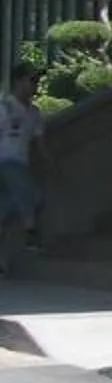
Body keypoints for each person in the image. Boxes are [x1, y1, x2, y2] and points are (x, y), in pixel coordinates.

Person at [0, 65, 46, 273]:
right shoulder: (4, 107)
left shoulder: (34, 113)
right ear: (18, 82)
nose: (36, 85)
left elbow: (40, 144)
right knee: (32, 195)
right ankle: (30, 232)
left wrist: (51, 163)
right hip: (5, 162)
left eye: (37, 81)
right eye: (32, 80)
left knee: (5, 213)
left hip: (21, 163)